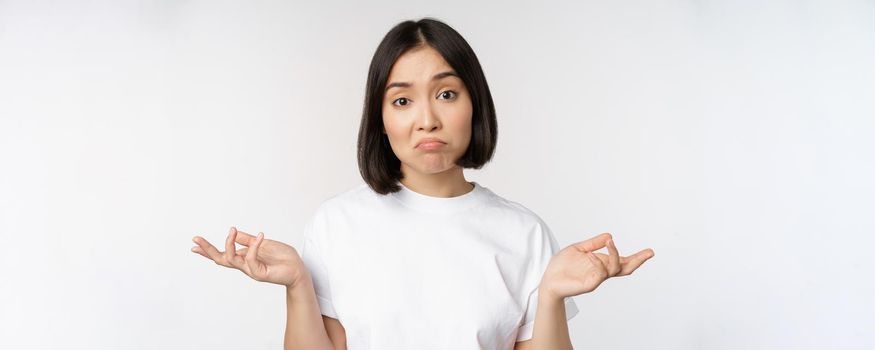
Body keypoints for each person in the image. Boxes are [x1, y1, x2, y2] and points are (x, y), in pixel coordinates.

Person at [191, 17, 655, 350]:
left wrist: (551, 293)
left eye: (446, 94)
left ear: (475, 106)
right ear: (381, 118)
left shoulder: (523, 232)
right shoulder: (337, 224)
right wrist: (297, 284)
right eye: (402, 100)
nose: (427, 120)